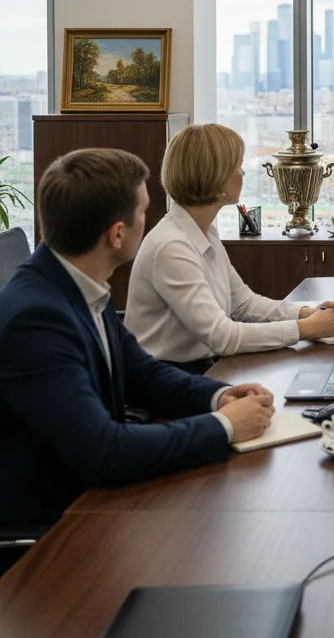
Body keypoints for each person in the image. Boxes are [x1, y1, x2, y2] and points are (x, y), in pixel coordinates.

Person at [0, 148, 275, 566]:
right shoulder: (37, 319)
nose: (150, 223)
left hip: (96, 500)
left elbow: (142, 373)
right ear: (116, 234)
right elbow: (103, 453)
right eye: (144, 212)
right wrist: (223, 427)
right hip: (57, 532)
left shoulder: (76, 281)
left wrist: (220, 398)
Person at [126, 124, 334, 372]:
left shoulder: (205, 231)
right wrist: (307, 328)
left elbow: (243, 305)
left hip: (200, 368)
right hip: (166, 380)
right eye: (237, 166)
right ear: (216, 175)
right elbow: (223, 337)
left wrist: (308, 313)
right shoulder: (171, 246)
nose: (242, 173)